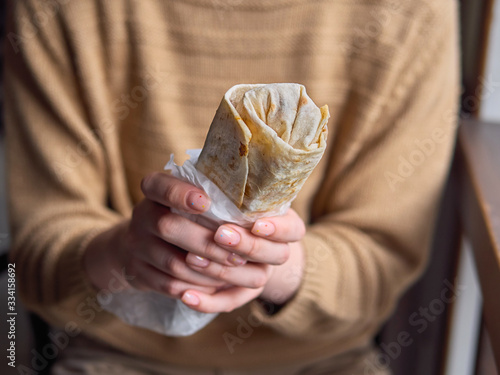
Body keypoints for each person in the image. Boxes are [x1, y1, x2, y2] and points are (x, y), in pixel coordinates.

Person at [4, 0, 460, 374]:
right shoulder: (61, 10)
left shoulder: (412, 13)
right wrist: (127, 252)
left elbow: (383, 259)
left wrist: (275, 266)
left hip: (320, 361)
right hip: (116, 357)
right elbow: (37, 253)